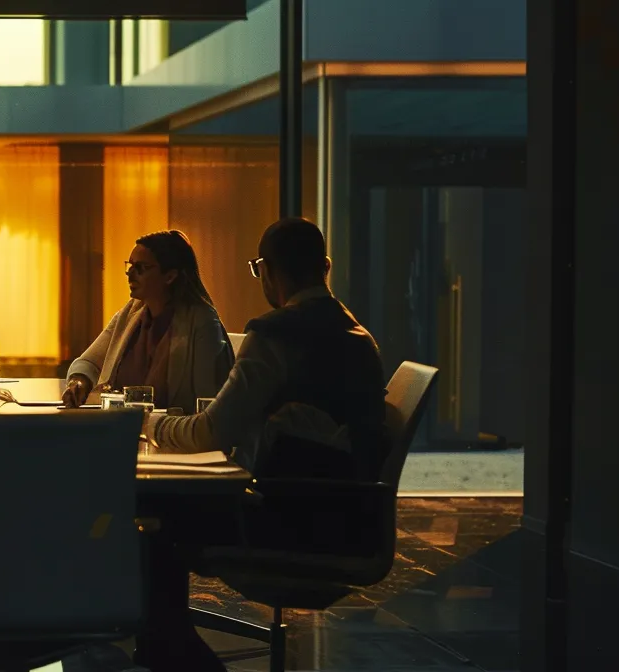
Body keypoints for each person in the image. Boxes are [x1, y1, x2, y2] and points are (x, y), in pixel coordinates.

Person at [133, 218, 388, 672]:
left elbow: (209, 432)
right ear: (324, 267)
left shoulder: (276, 336)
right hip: (347, 516)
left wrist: (147, 422)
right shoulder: (360, 338)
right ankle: (164, 648)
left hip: (288, 517)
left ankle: (170, 652)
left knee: (149, 528)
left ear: (267, 271)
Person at [62, 230, 233, 409]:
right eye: (131, 266)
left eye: (142, 268)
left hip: (172, 432)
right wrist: (78, 382)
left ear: (170, 276)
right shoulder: (130, 314)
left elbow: (211, 404)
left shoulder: (202, 322)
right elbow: (89, 362)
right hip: (123, 427)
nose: (131, 274)